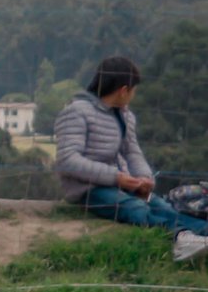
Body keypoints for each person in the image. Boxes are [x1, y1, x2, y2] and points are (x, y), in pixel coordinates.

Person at [55, 55, 208, 261]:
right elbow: (68, 160)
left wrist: (144, 178)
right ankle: (181, 238)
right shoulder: (76, 112)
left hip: (122, 184)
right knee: (134, 208)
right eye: (133, 90)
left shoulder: (125, 116)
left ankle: (203, 234)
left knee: (161, 207)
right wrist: (116, 177)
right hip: (88, 189)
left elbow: (132, 152)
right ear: (123, 90)